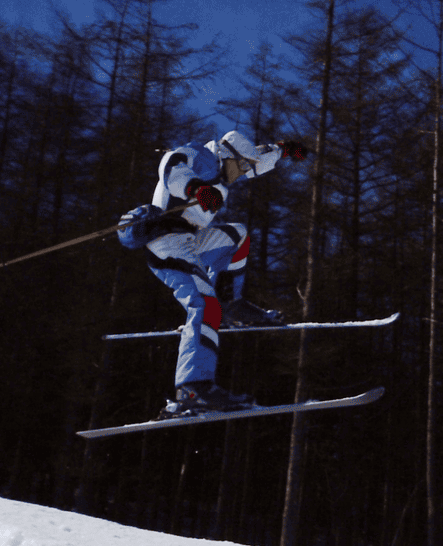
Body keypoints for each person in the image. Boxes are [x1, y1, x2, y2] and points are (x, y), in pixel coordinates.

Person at [120, 131, 309, 417]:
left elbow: (257, 160)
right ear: (225, 155)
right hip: (167, 241)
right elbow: (171, 165)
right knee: (203, 304)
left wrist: (284, 151)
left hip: (191, 238)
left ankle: (230, 303)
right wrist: (196, 189)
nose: (240, 172)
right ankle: (192, 389)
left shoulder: (227, 168)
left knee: (237, 235)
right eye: (238, 166)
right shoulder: (202, 156)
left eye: (243, 168)